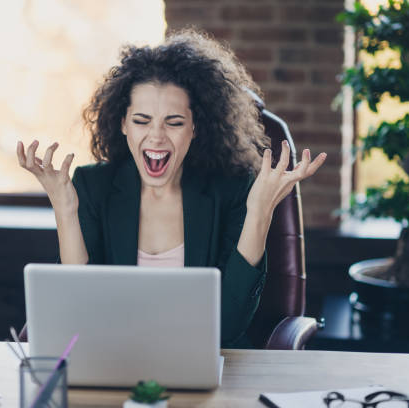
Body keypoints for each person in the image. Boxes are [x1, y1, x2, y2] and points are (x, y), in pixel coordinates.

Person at [16, 29, 326, 348]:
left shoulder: (233, 189)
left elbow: (227, 327)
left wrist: (259, 211)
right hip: (114, 358)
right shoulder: (92, 186)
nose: (157, 136)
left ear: (195, 127)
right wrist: (65, 210)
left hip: (207, 363)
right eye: (141, 121)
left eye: (174, 122)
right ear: (123, 124)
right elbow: (77, 311)